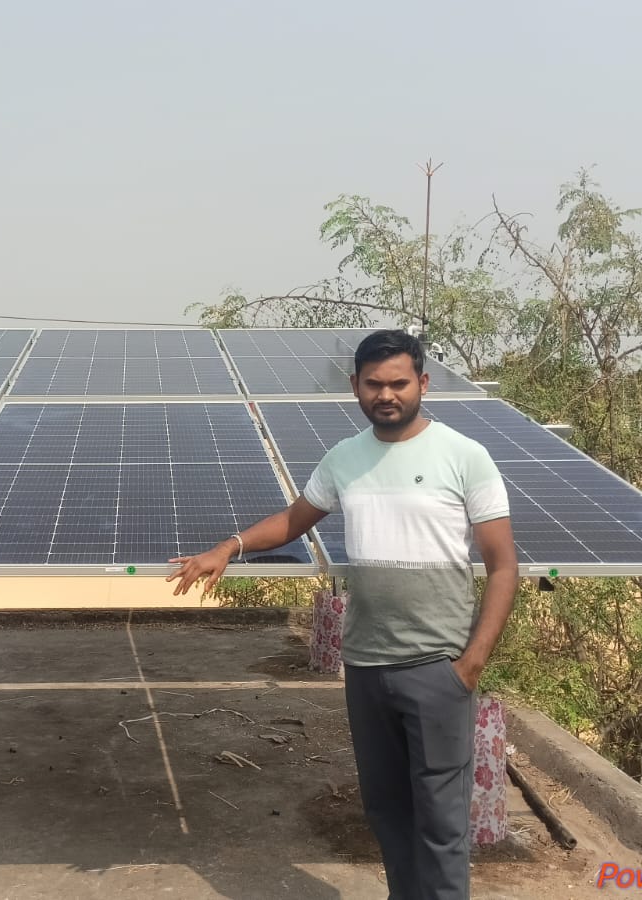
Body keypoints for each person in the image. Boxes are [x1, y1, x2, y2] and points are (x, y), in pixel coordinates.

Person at [167, 328, 518, 900]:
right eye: (374, 384)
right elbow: (294, 519)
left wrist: (471, 664)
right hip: (367, 666)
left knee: (441, 822)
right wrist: (229, 547)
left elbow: (503, 567)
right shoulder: (344, 459)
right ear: (355, 386)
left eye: (399, 383)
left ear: (423, 383)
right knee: (386, 811)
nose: (387, 394)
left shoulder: (464, 457)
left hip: (437, 667)